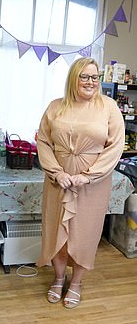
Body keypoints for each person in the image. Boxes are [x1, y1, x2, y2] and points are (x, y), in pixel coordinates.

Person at [36, 57, 125, 309]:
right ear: (73, 79)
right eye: (84, 76)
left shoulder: (109, 107)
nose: (90, 82)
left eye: (94, 77)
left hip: (92, 185)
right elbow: (43, 140)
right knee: (57, 233)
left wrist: (88, 175)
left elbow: (115, 146)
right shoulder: (55, 107)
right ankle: (58, 277)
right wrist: (56, 172)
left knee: (85, 234)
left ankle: (76, 283)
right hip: (58, 183)